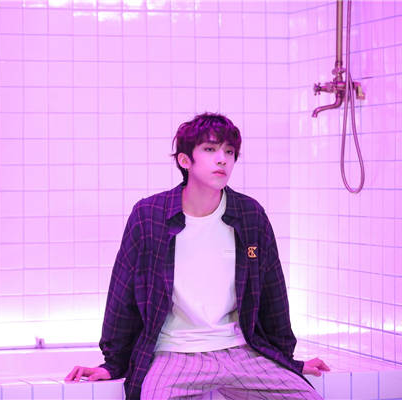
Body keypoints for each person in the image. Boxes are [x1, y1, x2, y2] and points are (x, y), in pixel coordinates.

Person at [66, 113, 329, 399]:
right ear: (185, 160)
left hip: (241, 350)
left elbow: (272, 293)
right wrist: (113, 364)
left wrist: (287, 360)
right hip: (174, 353)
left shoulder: (250, 214)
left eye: (230, 152)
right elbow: (123, 294)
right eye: (210, 149)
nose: (222, 159)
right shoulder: (149, 216)